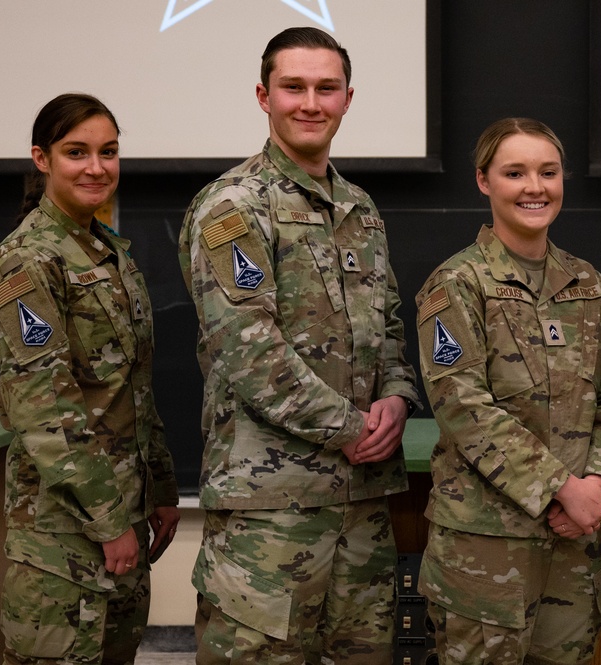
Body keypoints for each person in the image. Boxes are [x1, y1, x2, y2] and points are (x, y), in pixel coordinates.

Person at [178, 26, 422, 664]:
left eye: (326, 87)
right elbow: (248, 350)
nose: (310, 102)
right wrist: (348, 427)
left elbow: (390, 325)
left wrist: (397, 399)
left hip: (361, 511)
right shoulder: (233, 208)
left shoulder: (360, 209)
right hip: (269, 514)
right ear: (263, 96)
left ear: (347, 98)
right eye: (293, 87)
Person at [414, 117, 601, 664]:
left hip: (573, 543)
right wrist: (562, 486)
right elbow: (464, 409)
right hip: (485, 553)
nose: (535, 187)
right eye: (515, 172)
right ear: (484, 181)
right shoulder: (456, 285)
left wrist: (600, 484)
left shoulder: (586, 283)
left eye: (548, 172)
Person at [0, 93, 180, 664]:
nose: (96, 167)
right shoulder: (25, 263)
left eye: (109, 152)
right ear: (41, 159)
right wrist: (111, 521)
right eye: (77, 152)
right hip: (63, 539)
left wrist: (161, 490)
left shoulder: (107, 253)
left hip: (124, 521)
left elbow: (134, 392)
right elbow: (46, 410)